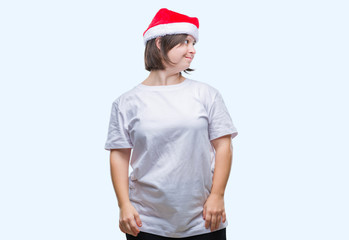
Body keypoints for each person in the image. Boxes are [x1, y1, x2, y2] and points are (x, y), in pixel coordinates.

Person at [104, 8, 238, 240]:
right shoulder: (126, 102)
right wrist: (123, 205)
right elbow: (119, 155)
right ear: (159, 43)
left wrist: (217, 195)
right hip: (146, 221)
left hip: (204, 218)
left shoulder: (206, 94)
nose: (192, 49)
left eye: (193, 43)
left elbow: (223, 146)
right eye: (185, 42)